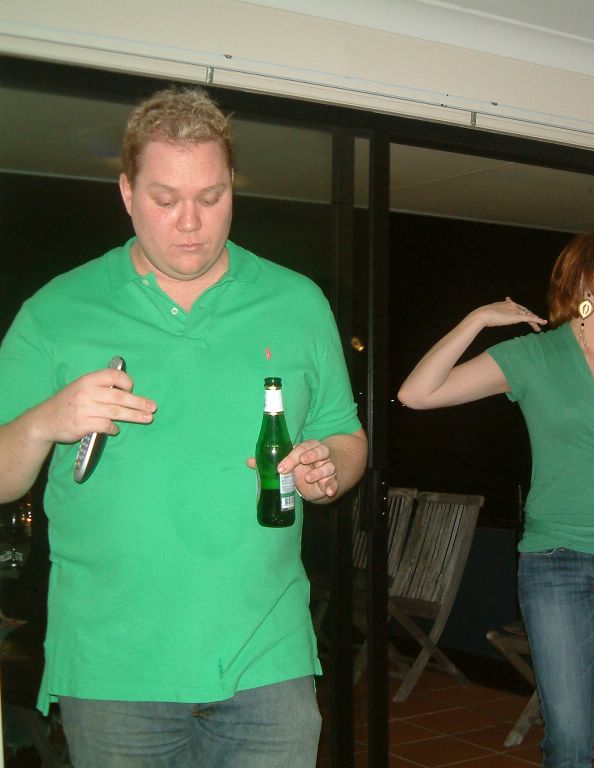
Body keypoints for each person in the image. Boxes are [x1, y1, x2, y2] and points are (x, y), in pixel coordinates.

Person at [0, 86, 368, 768]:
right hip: (114, 667)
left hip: (268, 660)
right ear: (127, 192)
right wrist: (48, 420)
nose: (191, 222)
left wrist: (330, 468)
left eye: (212, 196)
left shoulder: (297, 302)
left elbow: (346, 436)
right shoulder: (56, 311)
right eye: (166, 199)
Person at [398, 231, 594, 768]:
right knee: (568, 740)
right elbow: (416, 394)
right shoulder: (534, 355)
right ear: (589, 276)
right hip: (557, 563)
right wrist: (478, 319)